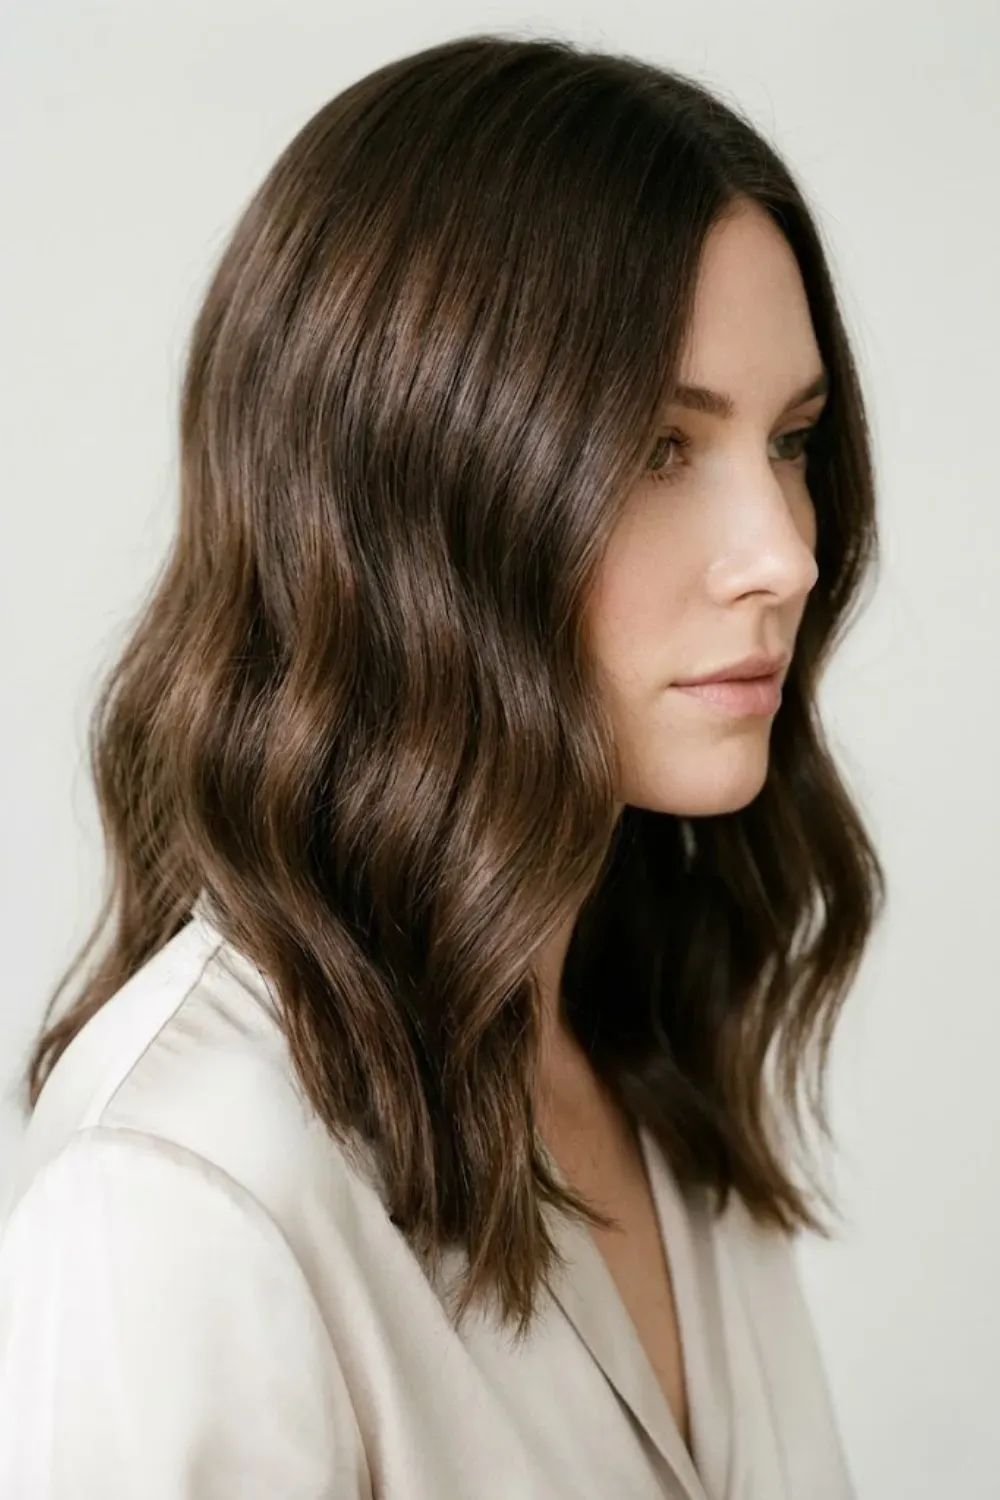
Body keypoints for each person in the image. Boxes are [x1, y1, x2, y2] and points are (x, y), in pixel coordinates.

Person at [0, 31, 885, 1500]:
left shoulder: (652, 1044)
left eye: (793, 441)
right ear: (414, 495)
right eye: (659, 448)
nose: (783, 554)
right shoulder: (183, 1201)